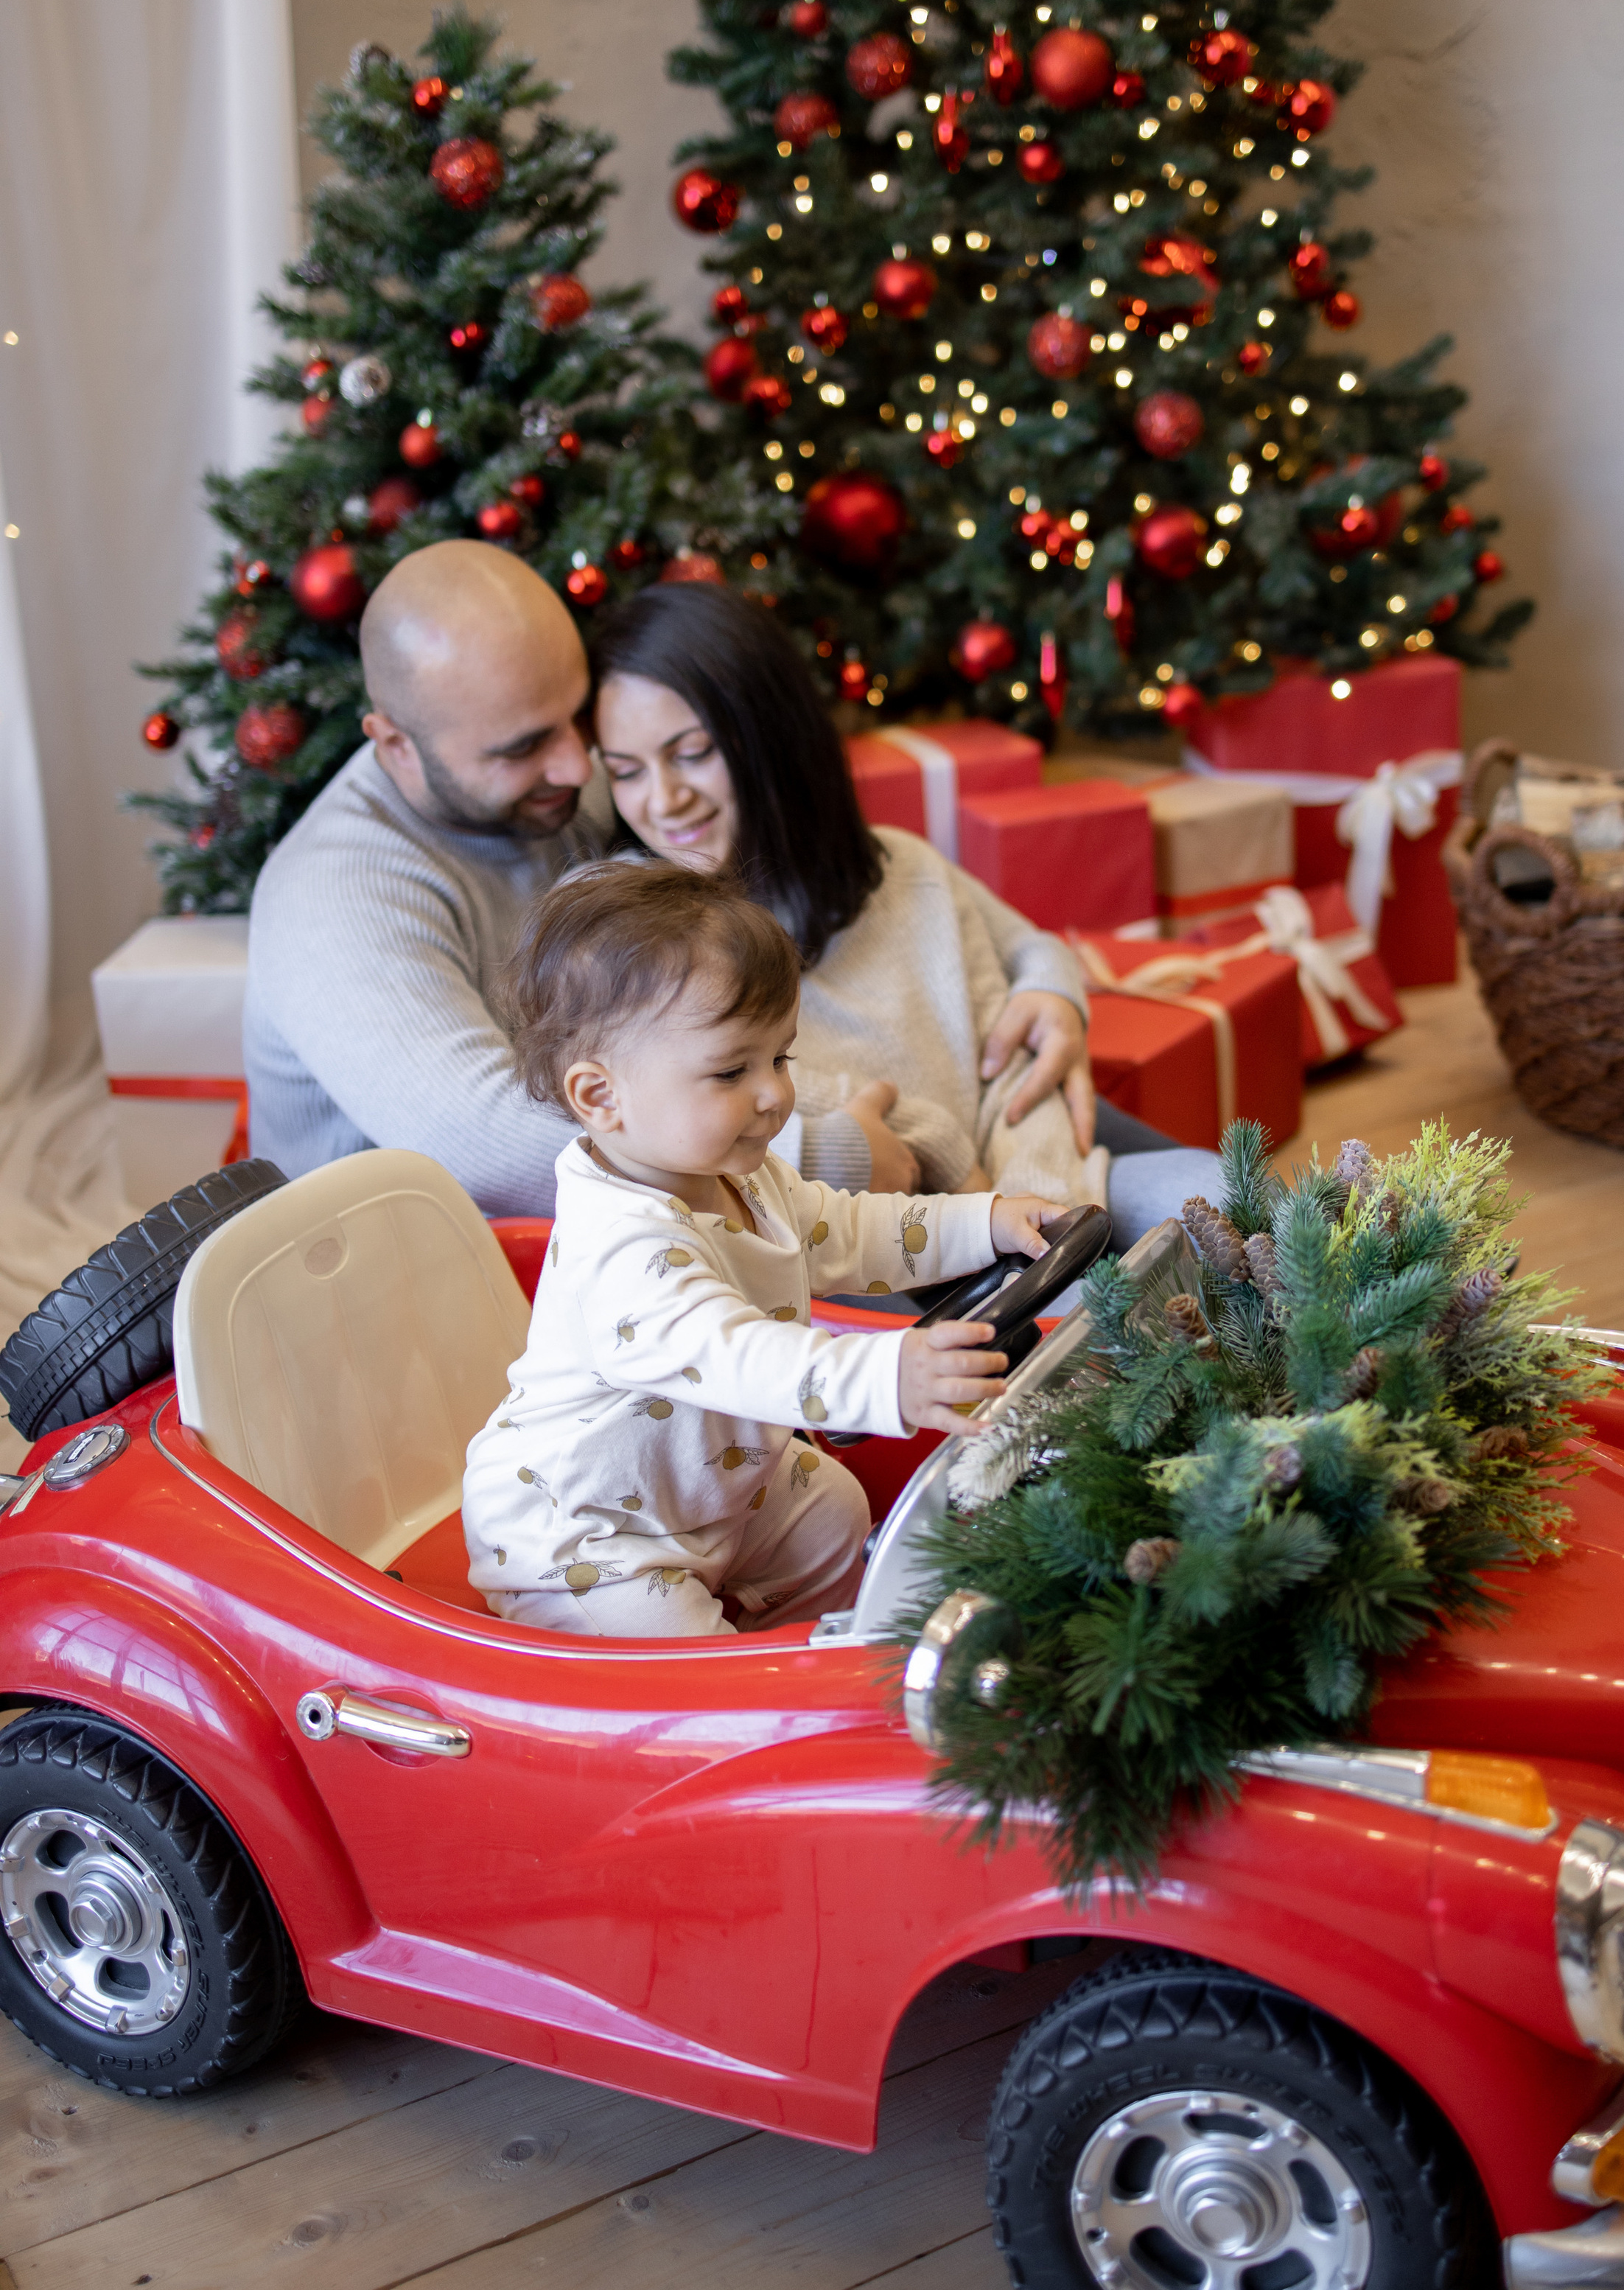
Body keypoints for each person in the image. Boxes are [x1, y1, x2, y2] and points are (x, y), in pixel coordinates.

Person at [460, 859, 1056, 1638]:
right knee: (677, 1653)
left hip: (715, 1482)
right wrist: (886, 1374)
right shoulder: (622, 1250)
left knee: (833, 1509)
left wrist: (982, 1223)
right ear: (600, 1096)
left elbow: (850, 1232)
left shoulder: (737, 1174)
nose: (775, 1093)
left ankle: (824, 1651)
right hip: (588, 1534)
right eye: (731, 1070)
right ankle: (744, 1691)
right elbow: (739, 1354)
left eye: (780, 1057)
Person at [588, 581, 1219, 1248]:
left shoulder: (902, 868)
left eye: (692, 754)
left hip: (1025, 1183)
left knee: (1231, 1198)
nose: (663, 800)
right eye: (627, 772)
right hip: (874, 1247)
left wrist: (1051, 998)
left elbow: (1020, 968)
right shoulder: (634, 937)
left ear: (770, 734)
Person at [244, 542, 610, 1214]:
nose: (579, 768)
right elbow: (490, 1151)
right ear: (395, 746)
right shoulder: (333, 890)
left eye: (578, 716)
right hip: (373, 1278)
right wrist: (806, 1161)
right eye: (523, 747)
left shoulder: (554, 787)